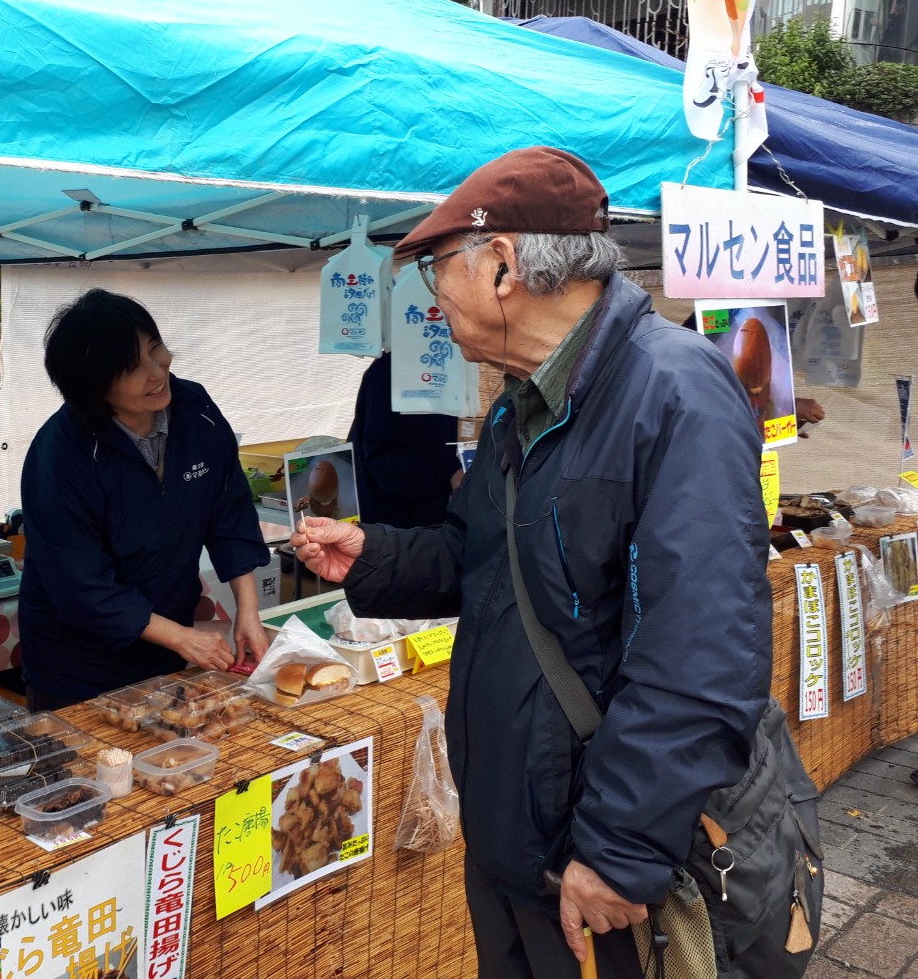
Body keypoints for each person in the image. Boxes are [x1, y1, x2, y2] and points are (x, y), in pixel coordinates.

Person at [293, 147, 774, 977]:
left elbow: (704, 653)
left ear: (504, 266)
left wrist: (620, 848)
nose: (432, 301)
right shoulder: (523, 402)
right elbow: (480, 555)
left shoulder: (674, 392)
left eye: (440, 269)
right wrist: (376, 555)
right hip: (516, 834)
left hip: (597, 854)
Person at [17, 289, 271, 709]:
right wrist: (183, 638)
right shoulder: (61, 455)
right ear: (94, 387)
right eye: (134, 367)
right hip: (78, 667)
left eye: (157, 351)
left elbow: (229, 511)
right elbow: (82, 587)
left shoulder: (198, 411)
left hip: (166, 650)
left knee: (172, 764)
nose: (157, 372)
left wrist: (248, 610)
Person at [347, 351, 461, 529]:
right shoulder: (388, 370)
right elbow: (383, 456)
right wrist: (449, 474)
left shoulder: (441, 368)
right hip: (390, 519)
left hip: (425, 512)